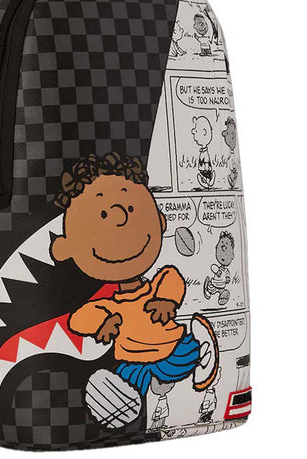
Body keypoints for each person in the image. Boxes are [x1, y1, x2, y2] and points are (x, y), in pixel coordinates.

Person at [52, 152, 219, 395]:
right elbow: (80, 318)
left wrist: (166, 301)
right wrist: (103, 322)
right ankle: (128, 404)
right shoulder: (111, 306)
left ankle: (201, 353)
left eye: (130, 208)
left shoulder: (153, 288)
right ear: (64, 248)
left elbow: (170, 277)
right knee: (126, 380)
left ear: (160, 222)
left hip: (172, 347)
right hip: (132, 360)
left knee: (183, 356)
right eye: (102, 215)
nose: (119, 219)